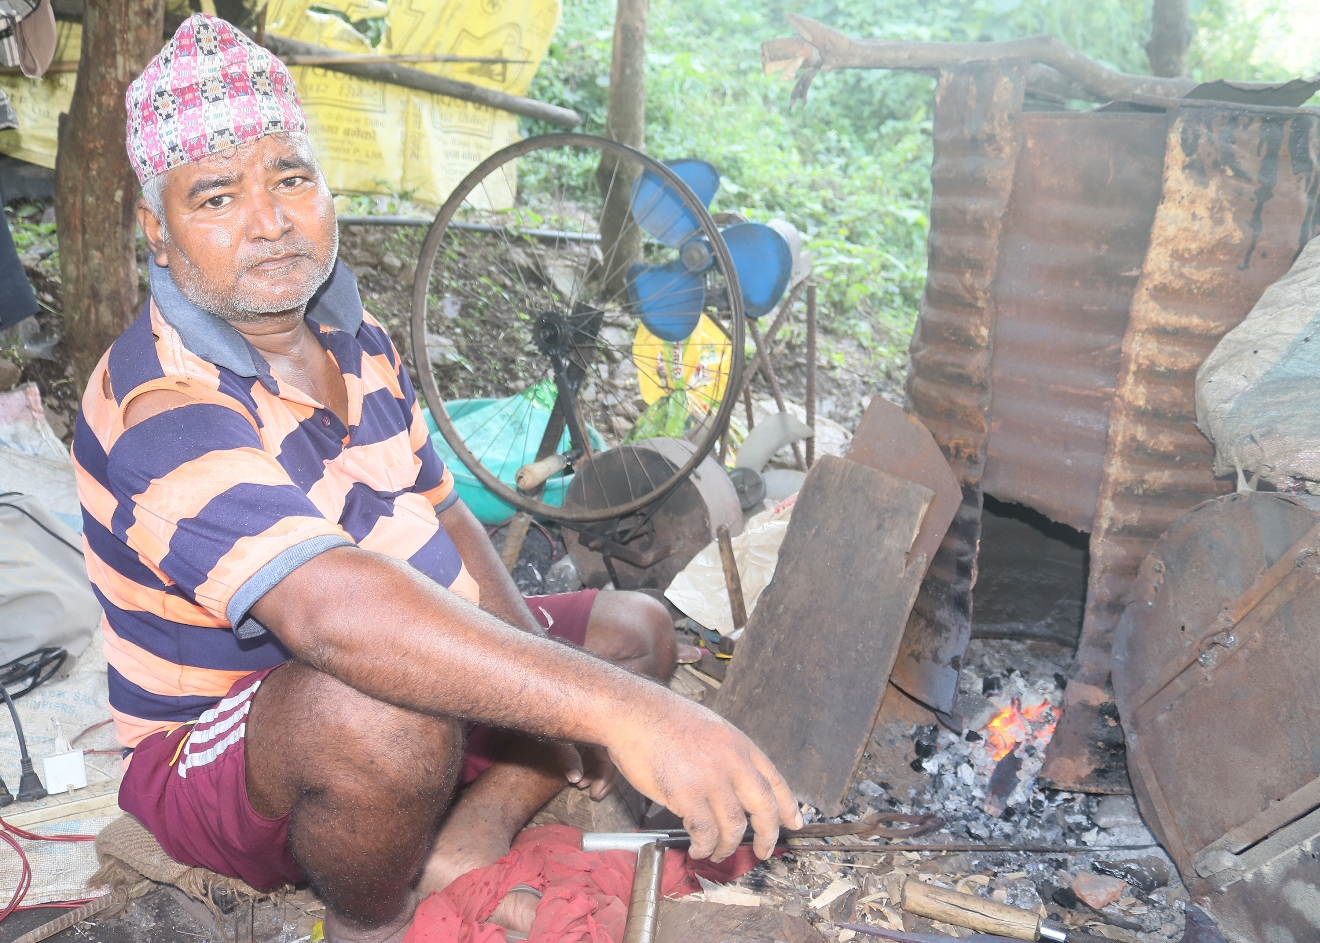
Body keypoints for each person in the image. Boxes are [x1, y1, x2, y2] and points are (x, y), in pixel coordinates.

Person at [74, 15, 799, 943]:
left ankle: (471, 832)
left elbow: (447, 512)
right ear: (159, 232)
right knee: (384, 709)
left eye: (291, 178)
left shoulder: (353, 335)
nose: (270, 220)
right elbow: (332, 615)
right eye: (217, 196)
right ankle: (372, 918)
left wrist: (549, 672)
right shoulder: (159, 402)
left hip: (387, 674)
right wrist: (622, 713)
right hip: (231, 749)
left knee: (631, 629)